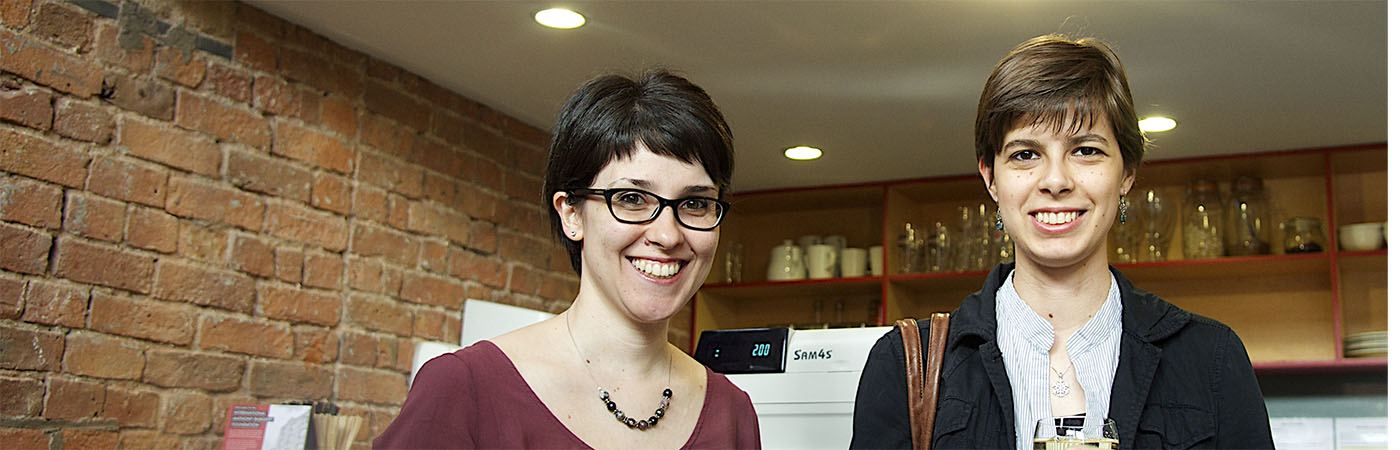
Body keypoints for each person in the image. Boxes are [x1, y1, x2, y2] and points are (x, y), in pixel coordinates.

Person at [850, 35, 1273, 449]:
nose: (1056, 181)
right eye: (1025, 154)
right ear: (990, 177)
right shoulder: (908, 367)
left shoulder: (1212, 357)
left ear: (1127, 173)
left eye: (1086, 150)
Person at [374, 69, 760, 449]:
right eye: (631, 199)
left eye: (694, 203)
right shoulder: (465, 389)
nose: (667, 235)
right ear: (571, 214)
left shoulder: (732, 413)